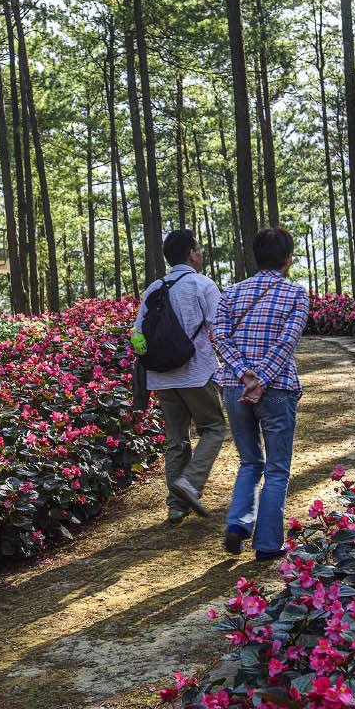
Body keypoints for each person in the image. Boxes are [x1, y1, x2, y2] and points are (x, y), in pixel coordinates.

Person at [212, 227, 308, 560]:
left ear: (256, 257)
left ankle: (238, 523)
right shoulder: (295, 293)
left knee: (250, 461)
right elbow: (286, 343)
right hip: (277, 388)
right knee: (277, 469)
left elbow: (220, 336)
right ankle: (267, 544)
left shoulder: (231, 292)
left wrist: (244, 374)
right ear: (288, 259)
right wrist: (261, 379)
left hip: (233, 386)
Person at [132, 230, 226, 523]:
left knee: (176, 440)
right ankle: (190, 483)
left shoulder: (154, 288)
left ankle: (175, 506)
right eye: (198, 249)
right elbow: (220, 328)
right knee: (213, 428)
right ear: (191, 253)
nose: (200, 253)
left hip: (161, 376)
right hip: (196, 373)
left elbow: (137, 334)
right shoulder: (202, 285)